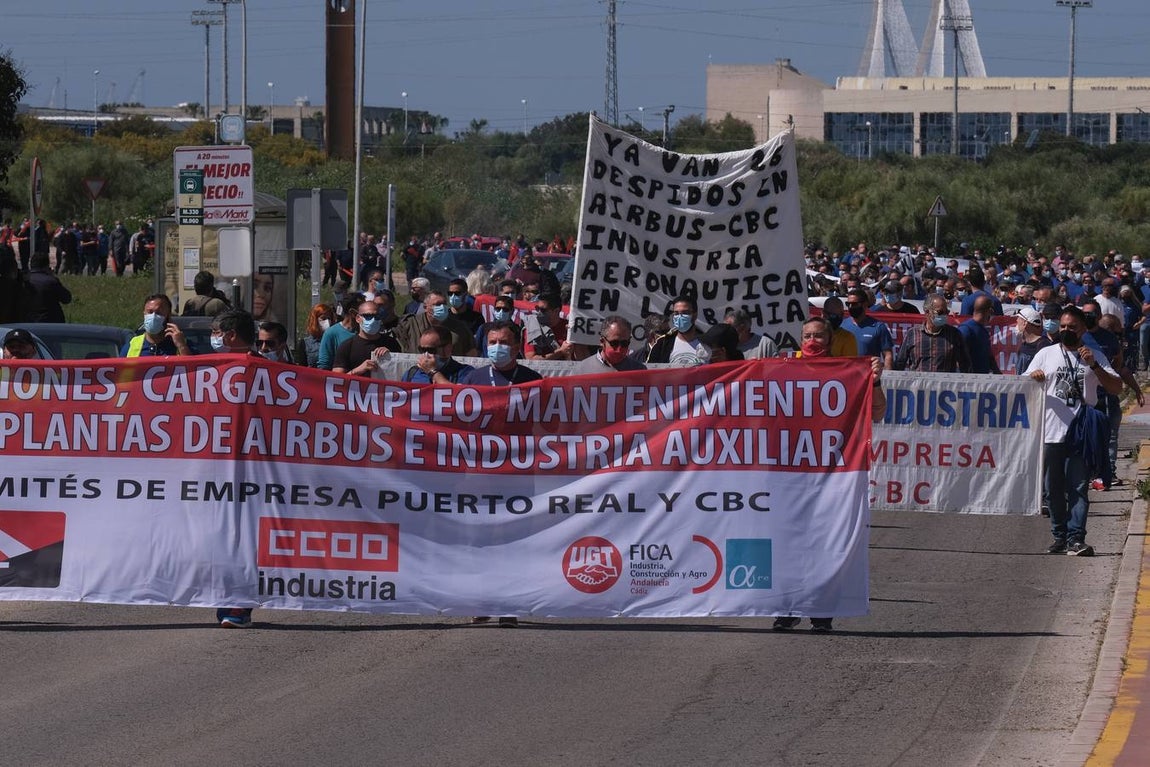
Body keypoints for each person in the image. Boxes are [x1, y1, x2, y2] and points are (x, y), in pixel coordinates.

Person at [774, 316, 887, 632]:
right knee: (788, 543)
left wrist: (874, 381)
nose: (812, 342)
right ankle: (787, 606)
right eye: (807, 336)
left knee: (825, 542)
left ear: (831, 340)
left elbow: (877, 412)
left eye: (819, 336)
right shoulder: (782, 370)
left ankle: (822, 608)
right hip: (789, 473)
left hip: (833, 474)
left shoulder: (849, 373)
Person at [1025, 306, 1122, 557]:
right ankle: (1060, 535)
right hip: (1050, 433)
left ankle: (1076, 538)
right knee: (1053, 489)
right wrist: (1033, 377)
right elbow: (1023, 385)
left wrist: (1095, 366)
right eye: (1063, 326)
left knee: (1078, 487)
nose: (1067, 330)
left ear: (1082, 329)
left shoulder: (1095, 355)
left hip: (1080, 433)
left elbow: (1115, 388)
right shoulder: (1046, 354)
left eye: (1072, 327)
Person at [209, 309, 261, 628]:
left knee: (244, 536)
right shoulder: (210, 369)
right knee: (218, 537)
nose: (212, 338)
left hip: (252, 472)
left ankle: (239, 605)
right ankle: (225, 598)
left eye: (215, 332)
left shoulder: (265, 370)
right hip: (214, 471)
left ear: (230, 335)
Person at [894, 293, 971, 372]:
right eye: (940, 312)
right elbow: (900, 363)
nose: (944, 315)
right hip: (919, 383)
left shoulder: (954, 334)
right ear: (927, 312)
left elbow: (965, 364)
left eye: (946, 312)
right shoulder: (912, 334)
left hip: (944, 383)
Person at [395, 290, 478, 357]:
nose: (442, 307)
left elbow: (472, 355)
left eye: (444, 304)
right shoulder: (410, 325)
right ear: (425, 307)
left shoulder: (460, 328)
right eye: (437, 304)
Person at [333, 299, 401, 376]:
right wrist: (358, 370)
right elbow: (336, 380)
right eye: (368, 316)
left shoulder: (391, 343)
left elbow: (402, 373)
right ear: (358, 318)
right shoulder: (347, 346)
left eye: (377, 316)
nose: (373, 320)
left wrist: (392, 357)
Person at [122, 294, 192, 357]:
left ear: (168, 316)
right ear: (144, 314)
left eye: (159, 313)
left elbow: (193, 369)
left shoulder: (182, 344)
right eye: (150, 312)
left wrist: (181, 346)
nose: (153, 316)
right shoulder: (131, 347)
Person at [841, 288, 894, 369]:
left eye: (855, 304)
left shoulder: (878, 327)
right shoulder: (842, 325)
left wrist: (888, 375)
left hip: (869, 377)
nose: (851, 307)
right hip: (846, 375)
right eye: (848, 304)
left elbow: (887, 355)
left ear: (865, 304)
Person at [401, 326, 475, 384]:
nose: (425, 354)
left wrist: (433, 372)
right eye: (422, 350)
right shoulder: (411, 374)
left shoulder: (466, 373)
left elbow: (459, 395)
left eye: (431, 350)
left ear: (448, 349)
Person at [575, 316, 646, 373]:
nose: (619, 350)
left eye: (624, 343)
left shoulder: (638, 371)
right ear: (602, 342)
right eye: (614, 343)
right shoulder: (582, 370)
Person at [647, 296, 705, 366]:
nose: (680, 317)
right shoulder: (663, 344)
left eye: (685, 313)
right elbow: (650, 372)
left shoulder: (708, 344)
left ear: (695, 315)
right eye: (676, 313)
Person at [22, 253, 72, 323]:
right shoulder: (51, 281)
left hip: (27, 320)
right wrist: (52, 277)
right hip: (49, 321)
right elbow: (66, 299)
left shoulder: (23, 280)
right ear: (46, 265)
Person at [318, 294, 363, 370]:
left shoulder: (365, 332)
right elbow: (324, 366)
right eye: (363, 311)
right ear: (352, 313)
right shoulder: (331, 333)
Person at [957, 295, 1000, 374]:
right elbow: (958, 357)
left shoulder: (983, 330)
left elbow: (988, 355)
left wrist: (997, 372)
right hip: (969, 381)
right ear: (989, 311)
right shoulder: (966, 329)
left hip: (981, 380)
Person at [523, 293, 571, 361]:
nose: (538, 312)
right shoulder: (532, 327)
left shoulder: (569, 327)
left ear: (556, 311)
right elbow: (530, 358)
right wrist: (560, 352)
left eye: (543, 310)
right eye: (537, 308)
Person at [1015, 306, 1052, 375]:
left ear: (1025, 323)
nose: (1016, 322)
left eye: (1018, 319)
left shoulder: (1043, 345)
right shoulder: (1023, 344)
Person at [297, 303, 335, 368]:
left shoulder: (335, 340)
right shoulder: (306, 343)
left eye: (329, 318)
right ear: (315, 320)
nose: (327, 321)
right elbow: (301, 368)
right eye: (323, 318)